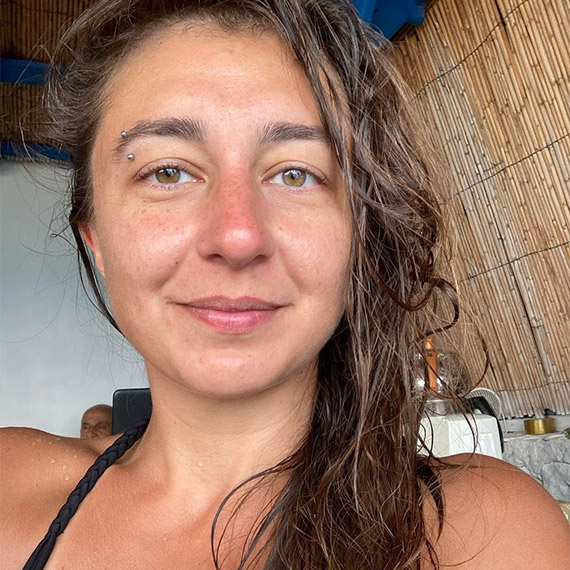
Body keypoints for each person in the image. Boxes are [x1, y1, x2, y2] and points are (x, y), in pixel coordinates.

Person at [1, 0, 568, 568]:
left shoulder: (487, 536)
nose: (237, 235)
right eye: (167, 172)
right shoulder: (10, 492)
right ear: (95, 235)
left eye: (295, 174)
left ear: (359, 234)